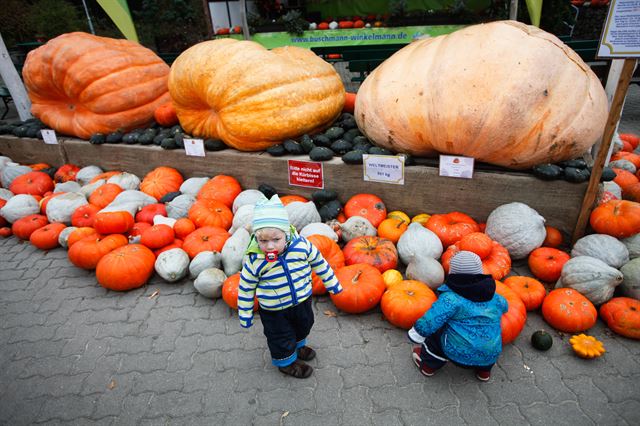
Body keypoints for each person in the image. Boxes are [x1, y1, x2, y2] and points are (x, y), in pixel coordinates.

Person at [237, 194, 343, 378]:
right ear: (256, 237)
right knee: (280, 336)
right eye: (263, 241)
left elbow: (319, 262)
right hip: (274, 310)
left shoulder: (301, 246)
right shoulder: (255, 259)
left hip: (302, 300)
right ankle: (286, 362)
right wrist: (245, 312)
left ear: (286, 234)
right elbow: (246, 286)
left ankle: (298, 346)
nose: (270, 246)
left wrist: (332, 282)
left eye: (276, 240)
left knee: (304, 324)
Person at [408, 250, 508, 382]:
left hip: (456, 353)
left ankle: (428, 365)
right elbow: (505, 307)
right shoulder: (495, 298)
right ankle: (484, 373)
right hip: (490, 353)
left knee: (436, 336)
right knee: (488, 345)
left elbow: (432, 319)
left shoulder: (451, 299)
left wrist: (417, 332)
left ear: (453, 274)